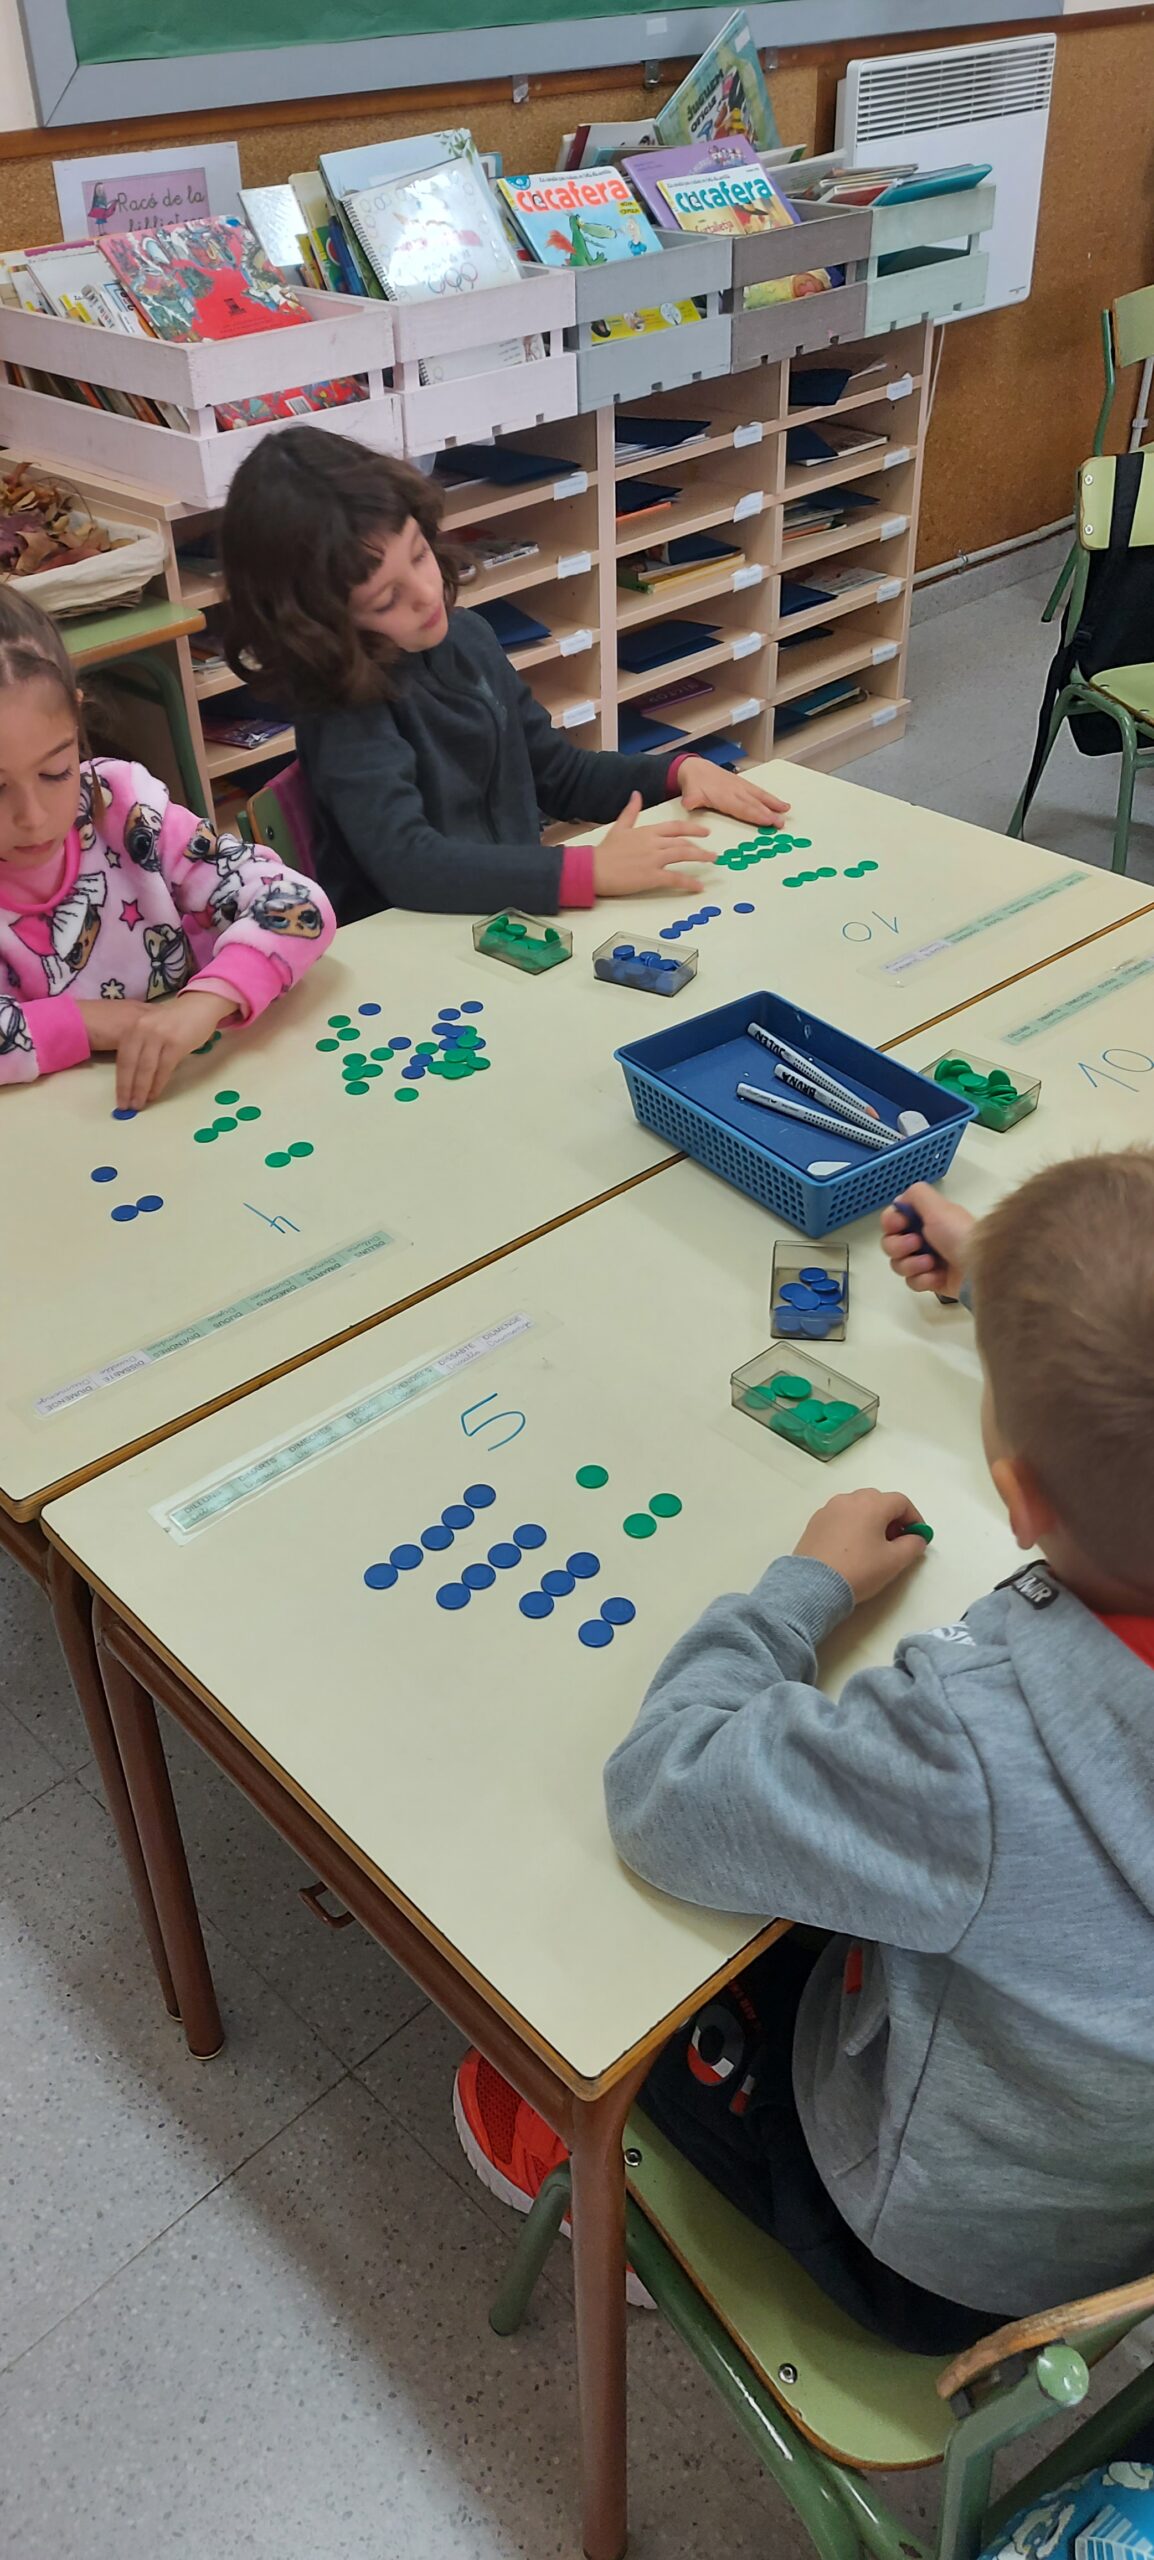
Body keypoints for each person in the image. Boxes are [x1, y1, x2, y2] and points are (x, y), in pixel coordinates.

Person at [454, 1155, 1154, 2351]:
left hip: (940, 2256)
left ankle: (624, 2204)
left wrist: (801, 1590)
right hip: (1112, 2202)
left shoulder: (972, 1748)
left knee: (609, 1973)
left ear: (1015, 1497)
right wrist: (1008, 1276)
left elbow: (664, 1792)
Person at [218, 427, 789, 925]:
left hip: (501, 918)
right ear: (320, 624)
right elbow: (410, 867)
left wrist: (676, 772)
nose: (426, 595)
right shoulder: (342, 710)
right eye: (386, 598)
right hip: (409, 944)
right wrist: (585, 870)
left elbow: (558, 773)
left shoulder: (468, 638)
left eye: (419, 555)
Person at [0, 588, 334, 1105]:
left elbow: (299, 905)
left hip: (199, 1095)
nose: (33, 817)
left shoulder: (127, 810)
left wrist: (205, 1001)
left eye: (55, 772)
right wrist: (87, 1023)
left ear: (76, 719)